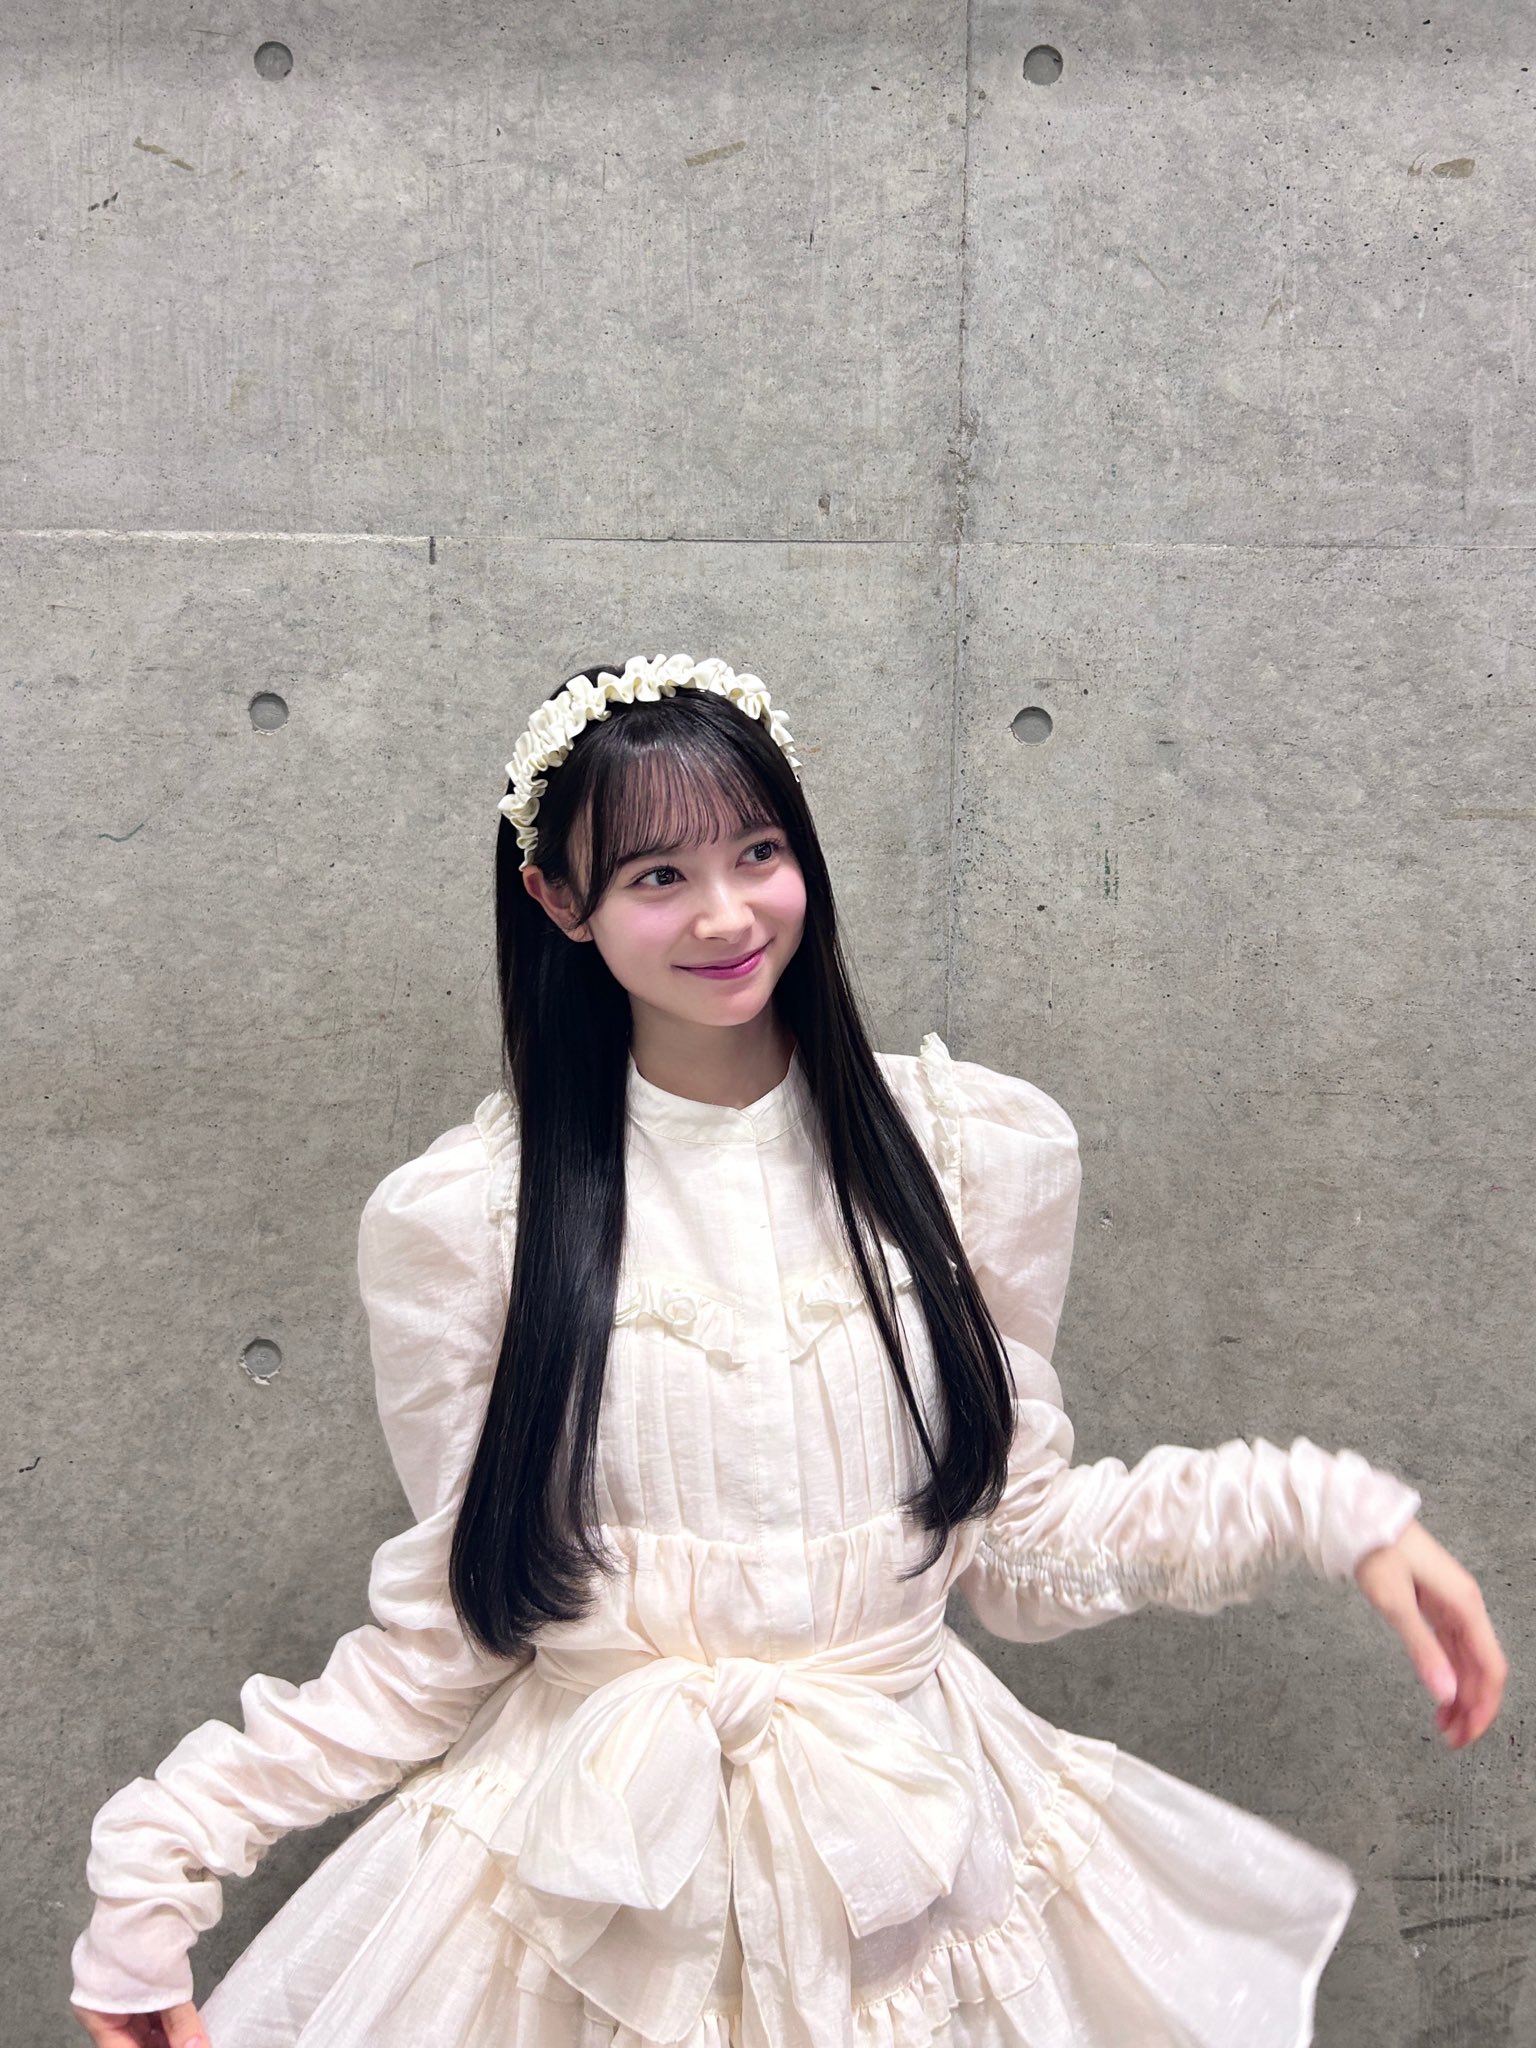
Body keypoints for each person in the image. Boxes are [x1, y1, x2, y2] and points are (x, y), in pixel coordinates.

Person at [70, 652, 1507, 2048]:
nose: (725, 914)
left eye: (757, 852)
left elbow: (1017, 1547)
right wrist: (163, 1855)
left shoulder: (969, 1151)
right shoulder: (470, 1217)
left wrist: (1324, 1509)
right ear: (559, 901)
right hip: (589, 1885)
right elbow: (451, 1634)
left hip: (909, 1868)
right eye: (657, 876)